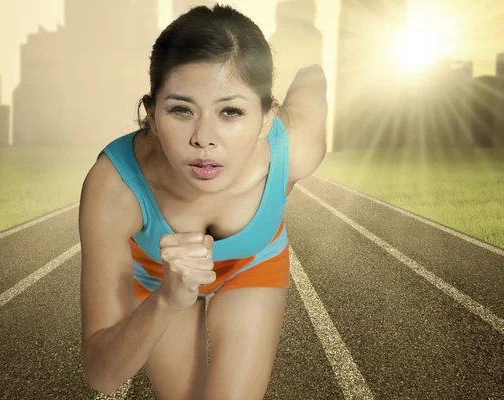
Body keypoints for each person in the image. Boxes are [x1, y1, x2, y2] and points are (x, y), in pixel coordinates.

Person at [79, 4, 327, 399]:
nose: (203, 139)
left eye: (230, 111)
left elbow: (311, 79)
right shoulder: (115, 186)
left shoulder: (298, 148)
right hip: (157, 276)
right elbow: (102, 375)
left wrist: (310, 63)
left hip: (253, 262)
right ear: (152, 116)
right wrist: (166, 300)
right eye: (181, 110)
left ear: (266, 119)